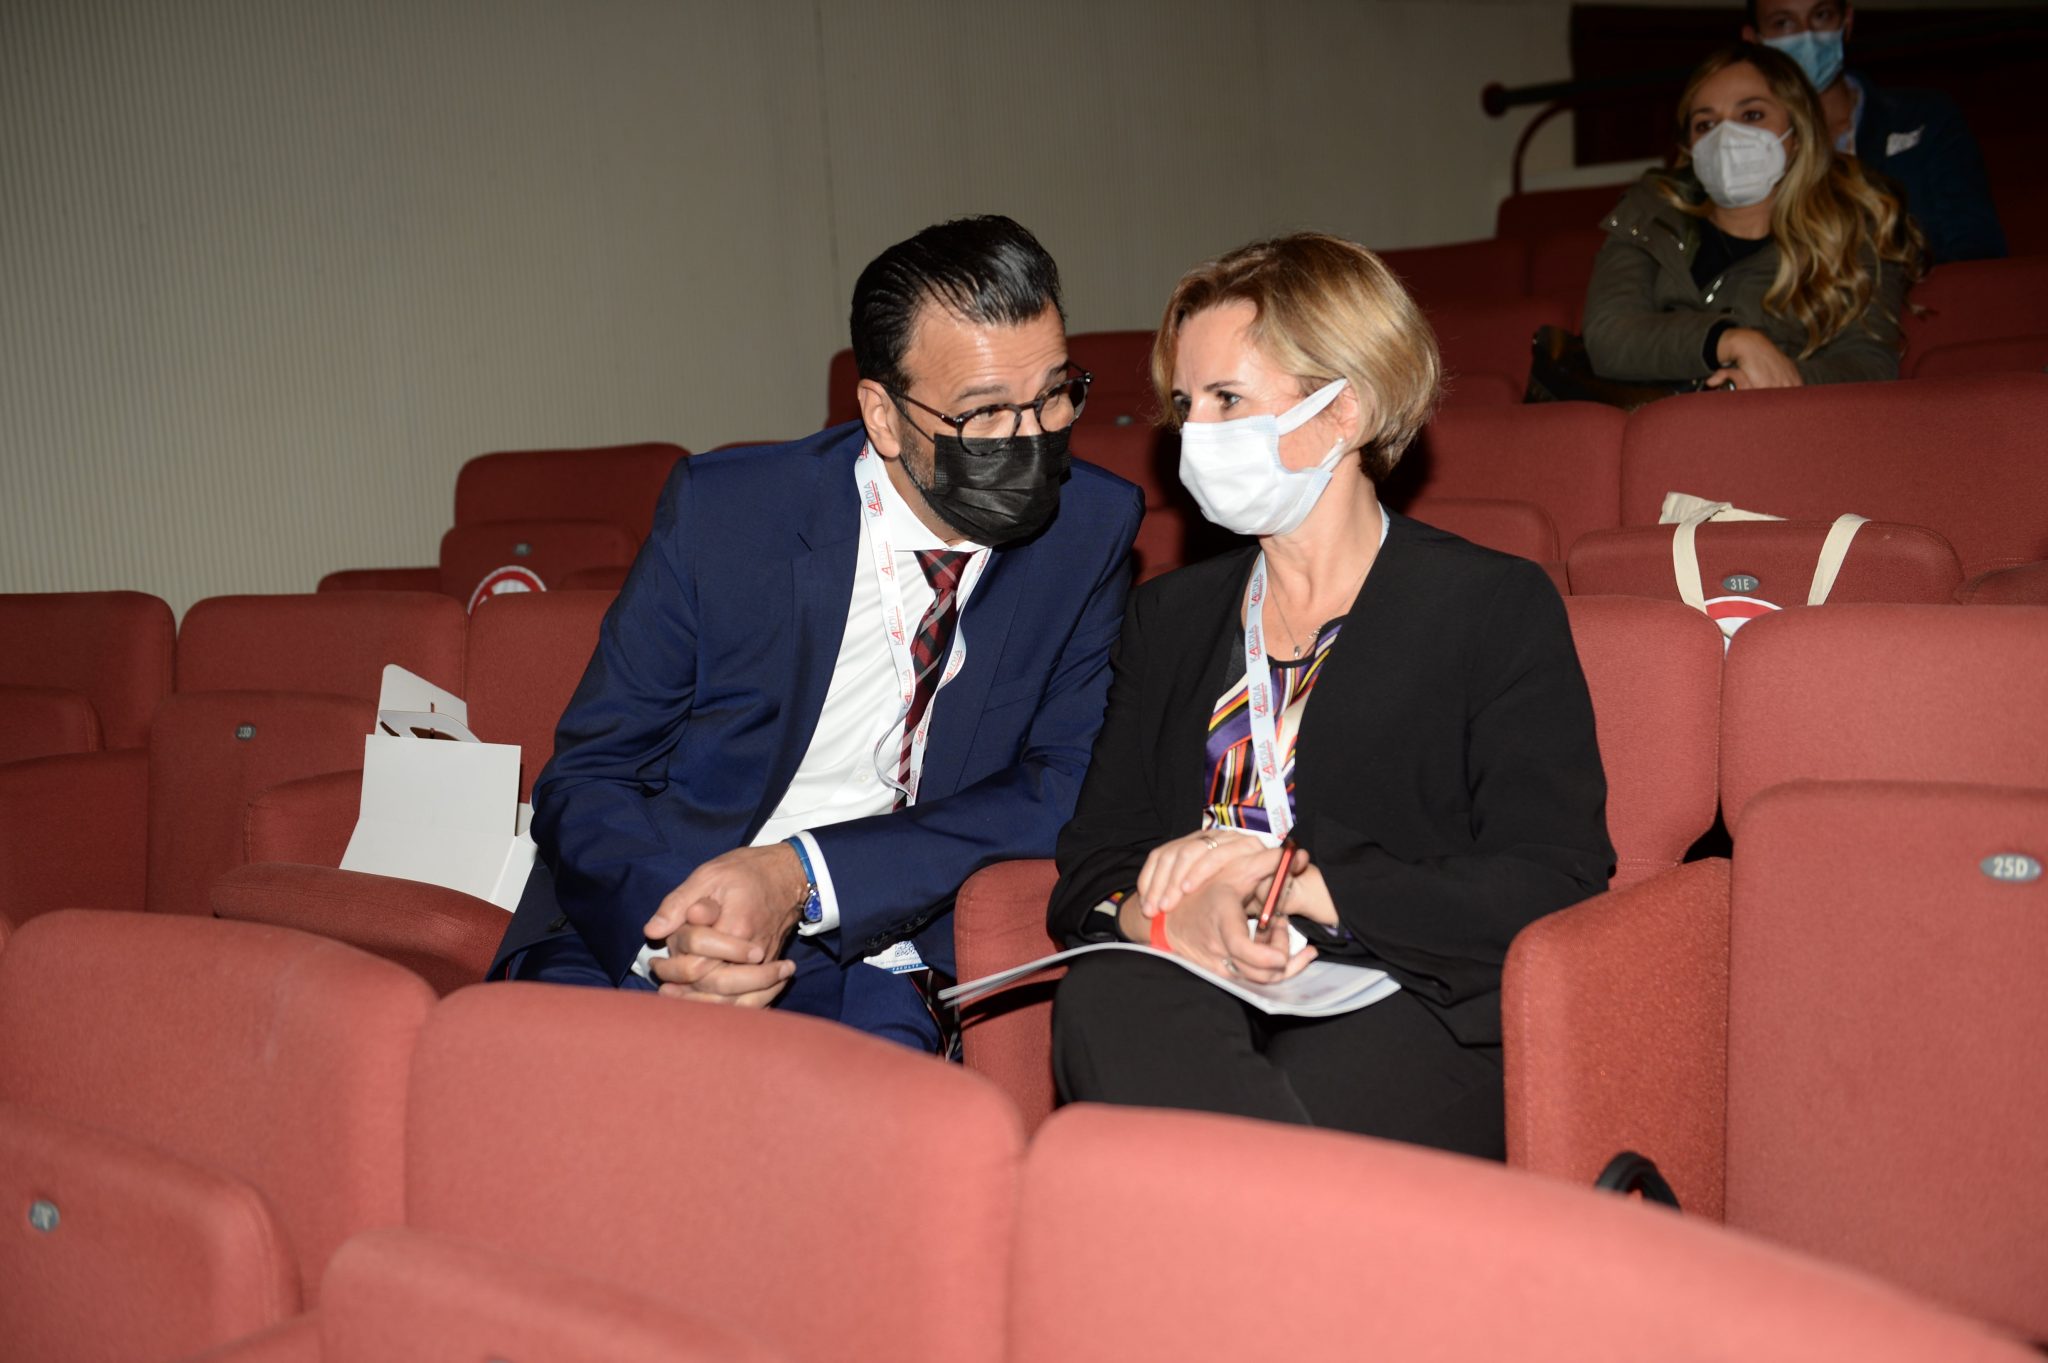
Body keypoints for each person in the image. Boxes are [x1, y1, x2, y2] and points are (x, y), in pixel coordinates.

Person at [490, 215, 1145, 1053]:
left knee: (861, 1114)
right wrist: (679, 933)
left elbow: (1062, 786)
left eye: (1054, 394)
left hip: (866, 945)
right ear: (884, 415)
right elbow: (591, 773)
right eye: (984, 412)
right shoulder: (730, 516)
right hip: (650, 915)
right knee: (553, 1083)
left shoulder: (1087, 527)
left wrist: (802, 873)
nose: (1031, 437)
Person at [1047, 234, 1613, 1157]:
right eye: (1186, 405)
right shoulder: (1169, 617)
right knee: (1103, 995)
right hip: (1192, 978)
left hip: (1403, 985)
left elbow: (1554, 875)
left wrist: (1308, 888)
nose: (1195, 433)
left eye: (1228, 399)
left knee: (1294, 1097)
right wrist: (1168, 916)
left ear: (1344, 408)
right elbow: (1094, 856)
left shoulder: (1489, 606)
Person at [1583, 44, 1924, 392]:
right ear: (1689, 146)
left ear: (1797, 132)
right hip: (1654, 417)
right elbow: (1609, 336)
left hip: (1780, 422)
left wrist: (1783, 379)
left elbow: (1868, 364)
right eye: (1705, 124)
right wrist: (1728, 341)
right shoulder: (1650, 214)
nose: (1726, 138)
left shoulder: (1855, 230)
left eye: (1751, 116)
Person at [1743, 0, 2006, 263]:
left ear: (1846, 21)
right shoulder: (1743, 146)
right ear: (1754, 39)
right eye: (1783, 23)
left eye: (1821, 15)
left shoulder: (1924, 118)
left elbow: (1975, 246)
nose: (1807, 35)